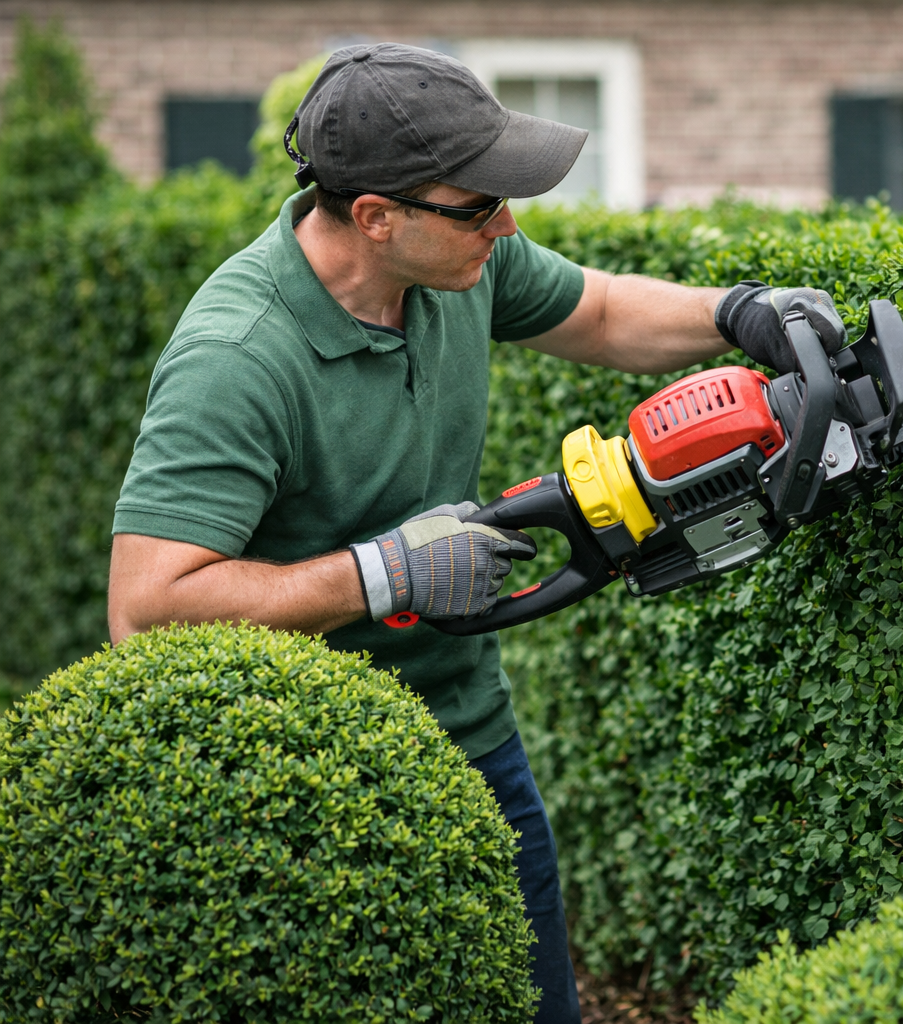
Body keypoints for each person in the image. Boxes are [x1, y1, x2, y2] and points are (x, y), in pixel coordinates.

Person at [106, 43, 847, 1024]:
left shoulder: (458, 265)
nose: (506, 224)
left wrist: (738, 312)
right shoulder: (238, 358)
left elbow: (601, 311)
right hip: (305, 781)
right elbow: (146, 608)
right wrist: (384, 574)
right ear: (376, 217)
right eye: (480, 204)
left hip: (470, 735)